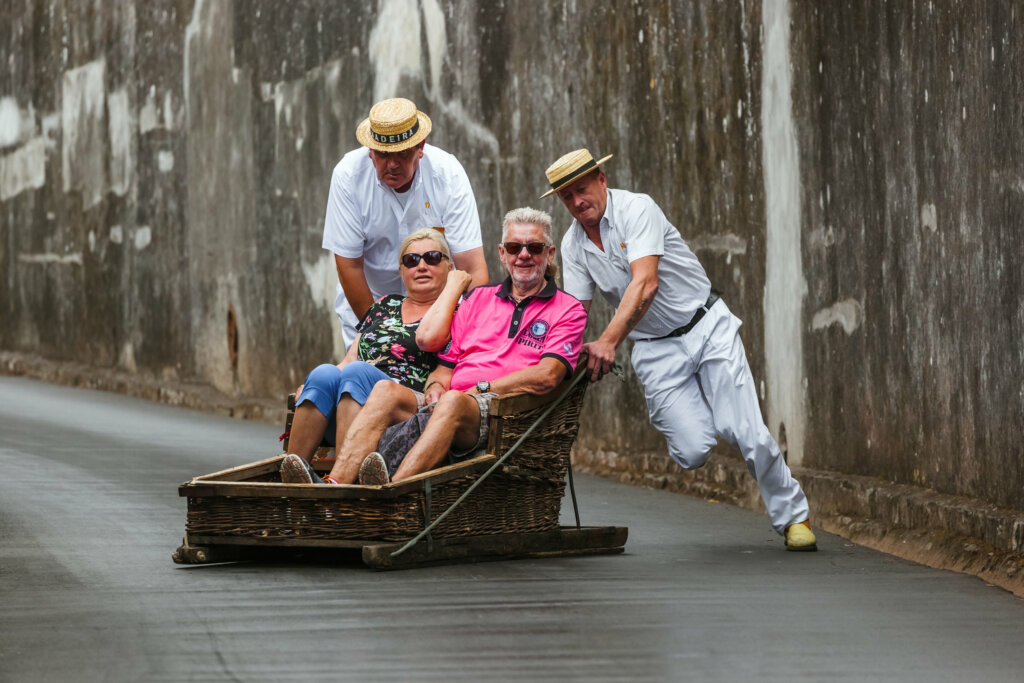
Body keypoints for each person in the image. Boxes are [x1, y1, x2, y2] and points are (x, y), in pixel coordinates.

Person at [541, 149, 817, 551]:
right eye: (566, 197)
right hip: (654, 349)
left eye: (581, 189)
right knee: (692, 450)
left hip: (707, 326)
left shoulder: (638, 209)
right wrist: (555, 364)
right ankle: (715, 415)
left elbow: (645, 284)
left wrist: (608, 342)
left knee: (746, 432)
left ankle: (794, 518)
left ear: (601, 178)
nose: (576, 202)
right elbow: (575, 312)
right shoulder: (572, 244)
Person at [295, 207, 587, 486]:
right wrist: (435, 386)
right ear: (502, 254)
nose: (523, 255)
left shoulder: (567, 309)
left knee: (452, 401)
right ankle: (337, 485)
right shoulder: (478, 300)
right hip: (451, 402)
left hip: (503, 409)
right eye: (514, 248)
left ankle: (390, 491)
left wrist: (481, 389)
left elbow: (548, 374)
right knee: (387, 391)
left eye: (534, 248)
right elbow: (444, 369)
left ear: (549, 254)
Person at [281, 228, 470, 485]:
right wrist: (314, 383)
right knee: (324, 373)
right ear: (402, 272)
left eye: (433, 258)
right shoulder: (384, 305)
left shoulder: (458, 310)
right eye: (411, 260)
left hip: (406, 404)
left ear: (449, 267)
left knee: (357, 373)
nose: (422, 266)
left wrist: (453, 292)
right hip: (355, 393)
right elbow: (350, 358)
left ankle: (341, 483)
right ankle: (293, 478)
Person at [322, 97, 489, 348]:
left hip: (440, 315)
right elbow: (349, 266)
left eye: (402, 154)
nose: (392, 164)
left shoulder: (448, 173)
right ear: (370, 151)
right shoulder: (348, 176)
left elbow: (472, 270)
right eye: (383, 154)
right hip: (370, 308)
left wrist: (461, 336)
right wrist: (380, 335)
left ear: (420, 147)